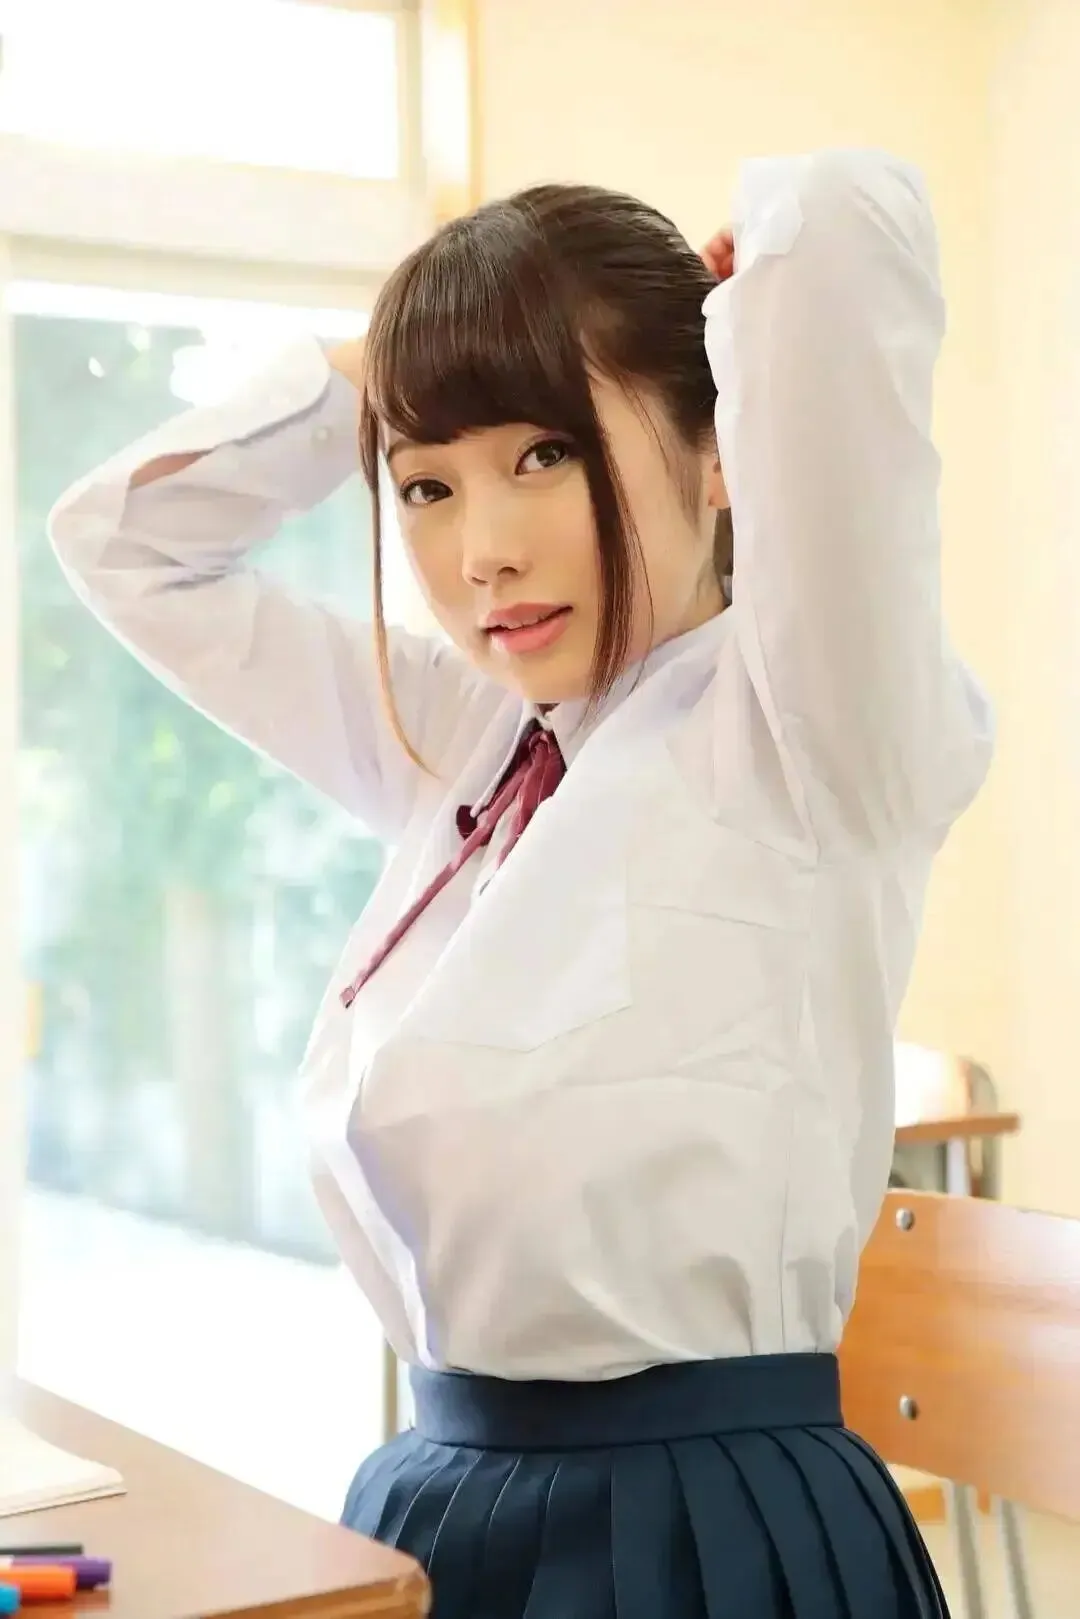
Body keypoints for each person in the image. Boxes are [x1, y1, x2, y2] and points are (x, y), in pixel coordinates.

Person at [49, 148, 991, 1618]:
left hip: (709, 1531)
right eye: (426, 483)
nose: (481, 552)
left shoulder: (809, 726)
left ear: (725, 443)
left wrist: (752, 302)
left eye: (544, 454)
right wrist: (386, 373)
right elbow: (125, 547)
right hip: (437, 1503)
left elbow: (847, 224)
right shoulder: (473, 740)